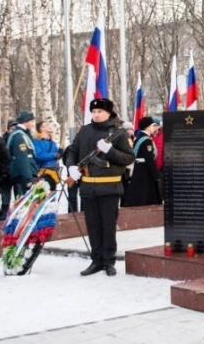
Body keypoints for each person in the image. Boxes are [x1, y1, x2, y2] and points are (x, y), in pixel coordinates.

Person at [65, 98, 135, 276]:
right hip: (88, 188)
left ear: (109, 113)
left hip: (109, 188)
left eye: (99, 112)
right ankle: (96, 261)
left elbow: (129, 158)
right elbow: (72, 151)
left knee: (108, 226)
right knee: (93, 226)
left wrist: (109, 151)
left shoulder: (118, 134)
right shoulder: (85, 130)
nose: (96, 115)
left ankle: (109, 261)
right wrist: (72, 167)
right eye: (94, 112)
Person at [126, 117, 162, 206]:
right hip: (145, 171)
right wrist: (156, 175)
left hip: (139, 169)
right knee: (147, 196)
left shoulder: (138, 138)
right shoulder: (146, 140)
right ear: (147, 127)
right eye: (152, 126)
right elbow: (149, 159)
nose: (154, 128)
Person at [6, 111, 38, 199]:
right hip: (23, 176)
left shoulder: (23, 134)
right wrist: (28, 179)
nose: (32, 124)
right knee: (25, 201)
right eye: (31, 121)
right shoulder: (19, 137)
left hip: (26, 173)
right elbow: (22, 159)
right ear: (26, 121)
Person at [33, 121, 62, 191]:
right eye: (46, 125)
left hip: (54, 172)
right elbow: (39, 155)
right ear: (42, 128)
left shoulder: (53, 143)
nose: (49, 126)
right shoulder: (36, 142)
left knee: (52, 195)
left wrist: (60, 152)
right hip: (43, 172)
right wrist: (54, 155)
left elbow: (57, 157)